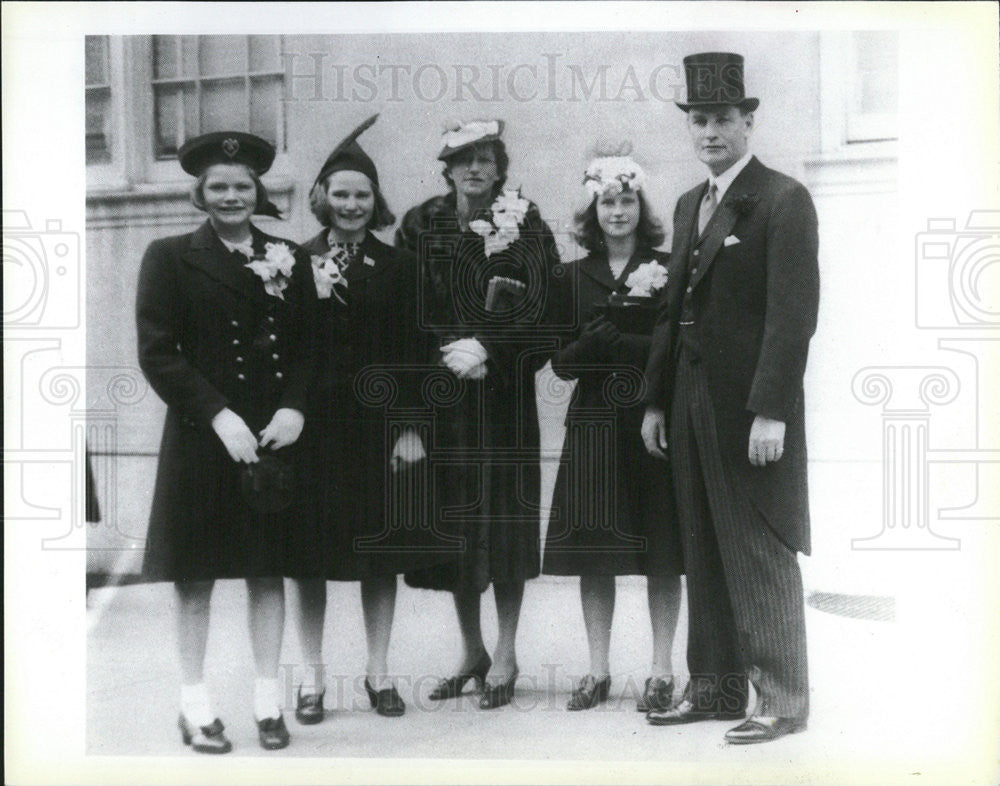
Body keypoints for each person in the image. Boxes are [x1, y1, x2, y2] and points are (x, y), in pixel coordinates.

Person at [641, 52, 819, 744]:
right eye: (699, 120)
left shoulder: (782, 198)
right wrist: (656, 400)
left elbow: (792, 314)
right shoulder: (691, 203)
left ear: (749, 121)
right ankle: (713, 689)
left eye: (722, 118)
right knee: (702, 542)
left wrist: (771, 408)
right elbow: (671, 309)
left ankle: (782, 698)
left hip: (747, 404)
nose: (710, 131)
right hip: (687, 394)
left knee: (757, 541)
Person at [136, 131, 317, 752]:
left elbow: (311, 348)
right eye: (219, 186)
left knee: (267, 573)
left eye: (242, 186)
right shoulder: (168, 256)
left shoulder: (289, 256)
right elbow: (158, 352)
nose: (232, 195)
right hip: (201, 440)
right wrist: (216, 414)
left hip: (271, 440)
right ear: (200, 194)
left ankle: (268, 703)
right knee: (196, 578)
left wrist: (295, 406)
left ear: (257, 190)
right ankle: (195, 705)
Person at [396, 120, 561, 709]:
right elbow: (401, 307)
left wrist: (489, 347)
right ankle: (471, 649)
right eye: (463, 158)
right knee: (456, 527)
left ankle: (508, 652)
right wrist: (444, 356)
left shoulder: (528, 221)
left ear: (499, 167)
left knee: (507, 521)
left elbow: (548, 308)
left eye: (485, 159)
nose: (475, 168)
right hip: (445, 400)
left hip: (503, 397)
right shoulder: (421, 224)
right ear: (446, 167)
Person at [291, 115, 443, 722]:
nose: (352, 205)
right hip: (313, 431)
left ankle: (379, 673)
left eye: (362, 195)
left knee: (378, 556)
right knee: (308, 561)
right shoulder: (292, 260)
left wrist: (411, 428)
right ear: (323, 199)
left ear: (375, 201)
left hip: (380, 430)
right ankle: (311, 678)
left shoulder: (400, 266)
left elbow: (419, 351)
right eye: (342, 193)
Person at [542, 148, 683, 712]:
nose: (617, 212)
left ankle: (660, 669)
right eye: (607, 202)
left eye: (627, 201)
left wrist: (617, 343)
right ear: (593, 211)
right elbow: (561, 362)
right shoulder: (571, 277)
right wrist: (595, 345)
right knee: (594, 550)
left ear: (640, 207)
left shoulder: (670, 267)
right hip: (596, 422)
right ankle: (597, 669)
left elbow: (676, 347)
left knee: (661, 549)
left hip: (652, 419)